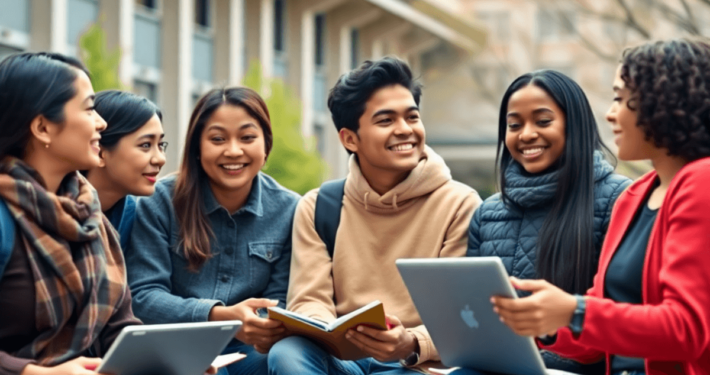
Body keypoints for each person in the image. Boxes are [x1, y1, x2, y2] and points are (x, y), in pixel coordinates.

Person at [492, 38, 710, 375]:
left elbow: (686, 329)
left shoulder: (702, 182)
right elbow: (595, 340)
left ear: (665, 103)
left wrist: (574, 310)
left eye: (622, 99)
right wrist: (543, 323)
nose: (610, 114)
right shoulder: (633, 197)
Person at [267, 57, 482, 374]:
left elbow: (461, 316)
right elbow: (308, 299)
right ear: (350, 139)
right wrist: (336, 336)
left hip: (416, 366)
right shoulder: (319, 205)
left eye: (412, 117)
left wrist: (410, 343)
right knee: (287, 354)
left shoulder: (460, 204)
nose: (405, 130)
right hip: (344, 361)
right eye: (386, 121)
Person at [462, 70, 630, 374]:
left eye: (543, 121)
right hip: (496, 367)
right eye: (514, 125)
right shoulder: (486, 213)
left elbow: (622, 314)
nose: (526, 134)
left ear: (574, 125)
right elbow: (472, 310)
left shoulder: (619, 199)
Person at [125, 87, 300, 375]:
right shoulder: (159, 201)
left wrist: (261, 324)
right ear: (197, 147)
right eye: (217, 139)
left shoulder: (291, 209)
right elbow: (143, 296)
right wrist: (219, 317)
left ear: (266, 145)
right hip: (174, 347)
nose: (233, 150)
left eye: (247, 137)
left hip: (252, 353)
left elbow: (280, 302)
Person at [0, 52, 141, 375]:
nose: (101, 122)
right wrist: (34, 373)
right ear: (42, 128)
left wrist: (165, 362)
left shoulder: (91, 217)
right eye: (89, 108)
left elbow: (118, 329)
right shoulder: (4, 218)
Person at [84, 90, 166, 250]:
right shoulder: (52, 209)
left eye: (161, 145)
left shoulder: (139, 218)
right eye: (146, 145)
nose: (161, 159)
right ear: (99, 152)